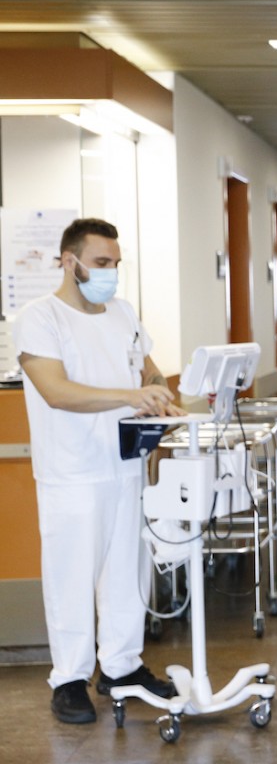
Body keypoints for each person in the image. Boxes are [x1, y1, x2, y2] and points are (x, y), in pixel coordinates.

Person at [15, 218, 183, 724]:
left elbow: (146, 365)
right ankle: (68, 677)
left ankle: (121, 666)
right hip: (72, 471)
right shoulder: (39, 318)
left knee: (126, 574)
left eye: (116, 264)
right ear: (71, 262)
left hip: (124, 462)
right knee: (72, 574)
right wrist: (131, 394)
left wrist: (156, 389)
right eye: (102, 264)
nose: (111, 273)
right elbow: (55, 391)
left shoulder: (122, 312)